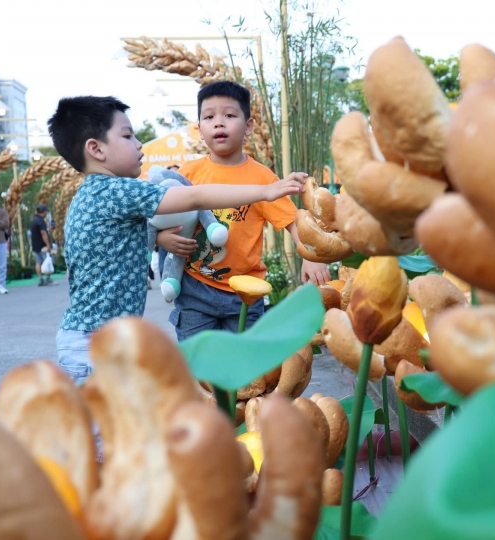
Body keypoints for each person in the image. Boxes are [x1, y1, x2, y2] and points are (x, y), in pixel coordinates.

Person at [47, 95, 305, 384]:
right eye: (128, 136)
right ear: (96, 149)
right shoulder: (115, 191)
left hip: (93, 338)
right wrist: (266, 191)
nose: (139, 144)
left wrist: (160, 238)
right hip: (96, 345)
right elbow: (194, 197)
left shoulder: (92, 195)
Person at [152, 81, 331, 342]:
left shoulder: (262, 178)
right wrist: (161, 239)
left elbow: (293, 223)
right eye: (209, 116)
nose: (219, 123)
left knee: (246, 372)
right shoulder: (188, 174)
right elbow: (158, 220)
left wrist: (311, 255)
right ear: (199, 129)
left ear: (248, 126)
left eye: (230, 115)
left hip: (245, 293)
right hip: (194, 289)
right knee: (199, 367)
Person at [30, 203, 54, 286]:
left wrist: (48, 230)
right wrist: (48, 245)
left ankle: (40, 279)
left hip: (36, 245)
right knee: (48, 260)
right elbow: (43, 233)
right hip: (43, 245)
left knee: (38, 262)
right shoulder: (41, 221)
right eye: (46, 212)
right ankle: (48, 278)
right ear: (43, 212)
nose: (46, 214)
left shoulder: (34, 221)